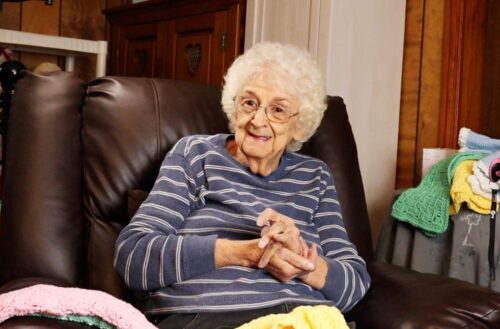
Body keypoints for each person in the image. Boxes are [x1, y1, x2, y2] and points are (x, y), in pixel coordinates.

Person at [114, 42, 371, 329]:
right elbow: (134, 256)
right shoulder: (195, 155)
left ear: (300, 124)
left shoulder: (315, 176)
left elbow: (355, 284)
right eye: (249, 103)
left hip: (303, 318)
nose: (258, 121)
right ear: (234, 108)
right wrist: (247, 253)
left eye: (278, 110)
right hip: (211, 317)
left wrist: (304, 263)